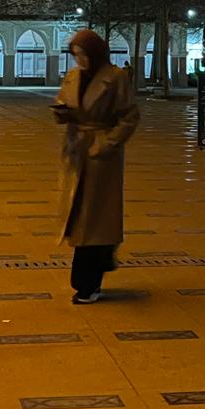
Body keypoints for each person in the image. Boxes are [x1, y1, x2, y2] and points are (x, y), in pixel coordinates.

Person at [52, 29, 140, 304]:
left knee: (95, 221)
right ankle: (91, 276)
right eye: (76, 55)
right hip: (77, 152)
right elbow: (65, 101)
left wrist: (107, 143)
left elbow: (129, 117)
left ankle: (88, 283)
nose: (80, 61)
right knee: (80, 219)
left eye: (84, 55)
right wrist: (62, 112)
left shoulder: (115, 77)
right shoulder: (73, 75)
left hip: (101, 158)